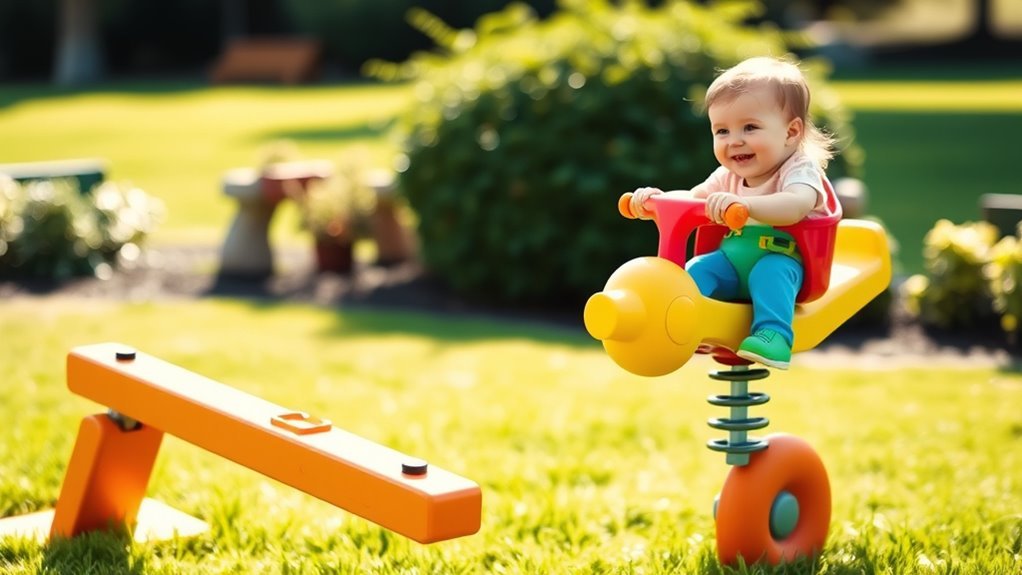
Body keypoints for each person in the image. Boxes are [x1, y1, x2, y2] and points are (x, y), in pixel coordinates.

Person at [628, 56, 836, 369]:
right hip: (731, 262)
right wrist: (656, 201)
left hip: (781, 259)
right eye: (721, 131)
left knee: (771, 274)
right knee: (697, 269)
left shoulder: (799, 170)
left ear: (792, 132)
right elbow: (693, 199)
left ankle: (774, 335)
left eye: (750, 127)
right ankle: (688, 325)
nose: (734, 140)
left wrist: (747, 206)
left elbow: (796, 205)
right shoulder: (727, 176)